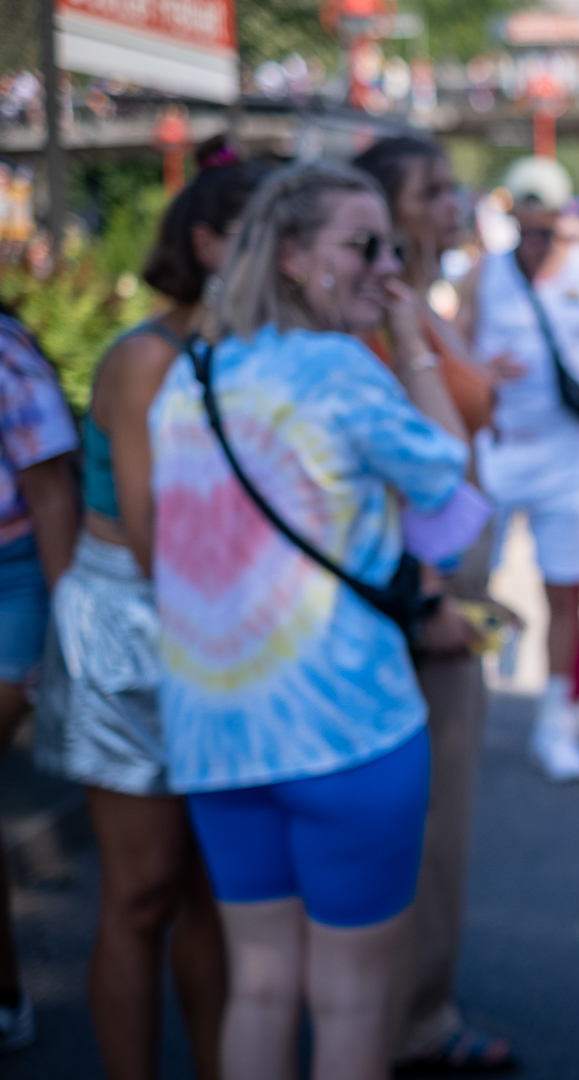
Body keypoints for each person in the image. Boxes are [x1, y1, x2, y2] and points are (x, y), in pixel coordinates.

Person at [148, 161, 477, 1080]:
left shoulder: (193, 376)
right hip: (347, 730)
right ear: (294, 257)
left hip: (217, 733)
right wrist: (412, 342)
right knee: (351, 999)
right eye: (365, 245)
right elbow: (453, 497)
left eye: (392, 247)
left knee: (260, 987)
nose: (387, 264)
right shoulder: (339, 369)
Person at [32, 137, 265, 1080]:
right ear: (211, 245)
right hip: (137, 623)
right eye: (272, 238)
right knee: (142, 893)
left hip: (219, 621)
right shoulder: (147, 358)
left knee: (215, 890)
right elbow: (156, 529)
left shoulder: (263, 351)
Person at [352, 135, 516, 1076]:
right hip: (425, 601)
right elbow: (398, 470)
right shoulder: (377, 322)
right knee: (429, 823)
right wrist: (424, 604)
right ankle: (413, 1019)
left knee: (435, 819)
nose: (456, 202)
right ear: (391, 209)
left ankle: (409, 1009)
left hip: (445, 589)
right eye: (436, 190)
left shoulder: (417, 301)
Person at [456, 157, 579, 781]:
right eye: (524, 228)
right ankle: (481, 687)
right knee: (473, 582)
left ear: (564, 222)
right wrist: (482, 376)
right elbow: (452, 352)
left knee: (567, 590)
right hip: (499, 452)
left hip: (563, 457)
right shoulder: (483, 275)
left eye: (546, 228)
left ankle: (554, 724)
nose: (534, 241)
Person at [0, 304, 79, 1054]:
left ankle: (4, 994)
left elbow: (53, 495)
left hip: (11, 579)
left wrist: (69, 643)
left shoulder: (7, 358)